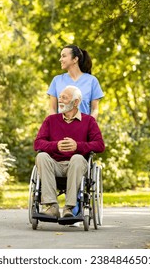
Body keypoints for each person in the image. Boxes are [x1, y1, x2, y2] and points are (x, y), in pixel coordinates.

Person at [34, 85, 105, 218]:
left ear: (76, 102)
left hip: (77, 166)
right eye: (59, 97)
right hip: (55, 164)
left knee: (77, 158)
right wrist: (56, 146)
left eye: (64, 98)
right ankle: (52, 207)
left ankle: (69, 207)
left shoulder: (89, 121)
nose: (60, 100)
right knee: (41, 156)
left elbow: (100, 145)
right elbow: (37, 143)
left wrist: (77, 146)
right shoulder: (51, 120)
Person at [47, 45, 104, 119]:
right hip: (61, 129)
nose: (60, 59)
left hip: (84, 129)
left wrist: (89, 126)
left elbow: (94, 109)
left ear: (75, 59)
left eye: (64, 56)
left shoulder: (92, 81)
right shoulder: (56, 80)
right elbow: (52, 109)